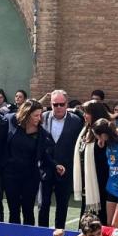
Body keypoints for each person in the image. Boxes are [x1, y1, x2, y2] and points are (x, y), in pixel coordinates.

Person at [40, 90, 85, 228]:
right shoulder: (42, 117)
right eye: (55, 104)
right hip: (45, 168)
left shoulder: (76, 121)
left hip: (66, 169)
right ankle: (41, 234)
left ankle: (60, 233)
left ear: (67, 104)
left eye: (61, 104)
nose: (58, 107)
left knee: (62, 205)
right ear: (50, 104)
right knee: (43, 204)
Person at [4, 99, 48, 225]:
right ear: (26, 114)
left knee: (28, 210)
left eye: (40, 115)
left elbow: (44, 154)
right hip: (11, 175)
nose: (39, 118)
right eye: (36, 115)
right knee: (14, 210)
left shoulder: (41, 133)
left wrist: (56, 165)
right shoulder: (11, 120)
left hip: (30, 176)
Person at [73, 100, 111, 220]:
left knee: (99, 216)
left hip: (99, 183)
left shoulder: (104, 131)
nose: (84, 115)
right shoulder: (86, 130)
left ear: (96, 114)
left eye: (87, 113)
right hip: (87, 181)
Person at [96, 119, 118, 227]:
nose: (97, 139)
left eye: (98, 136)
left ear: (104, 135)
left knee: (116, 224)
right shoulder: (108, 143)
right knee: (108, 223)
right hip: (111, 187)